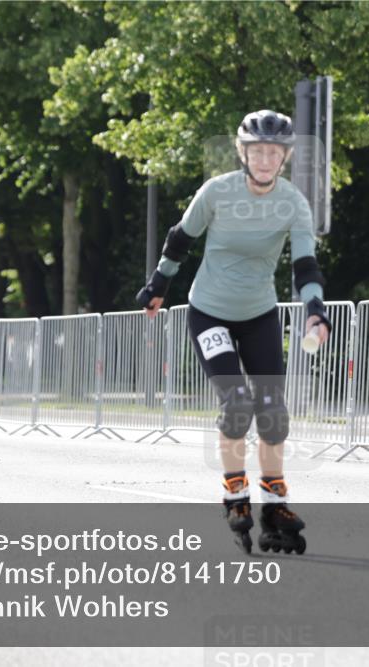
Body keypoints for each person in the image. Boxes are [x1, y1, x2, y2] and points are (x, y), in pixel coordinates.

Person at [136, 109, 331, 554]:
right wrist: (159, 285)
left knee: (273, 413)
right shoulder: (217, 191)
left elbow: (305, 266)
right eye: (257, 151)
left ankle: (275, 506)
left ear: (284, 158)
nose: (265, 160)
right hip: (210, 313)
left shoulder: (294, 203)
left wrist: (315, 312)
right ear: (243, 153)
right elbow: (180, 238)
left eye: (274, 153)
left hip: (259, 315)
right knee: (237, 403)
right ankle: (235, 491)